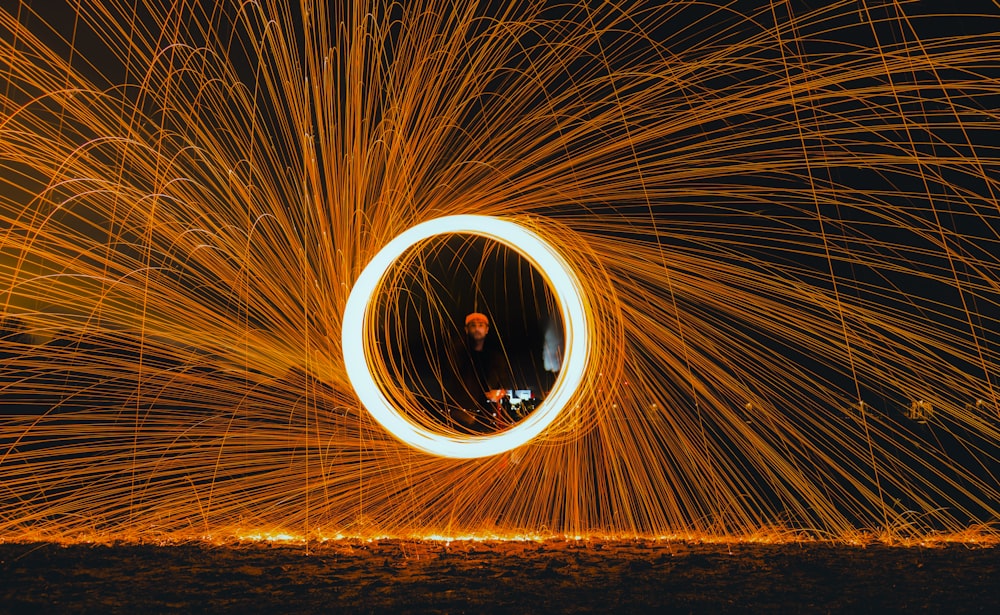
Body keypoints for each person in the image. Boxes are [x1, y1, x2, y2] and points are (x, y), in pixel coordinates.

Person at [445, 312, 513, 432]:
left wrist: (500, 391)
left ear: (486, 329)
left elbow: (504, 381)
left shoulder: (496, 357)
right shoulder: (457, 353)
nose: (477, 329)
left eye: (480, 325)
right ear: (466, 329)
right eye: (473, 326)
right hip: (461, 416)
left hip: (486, 417)